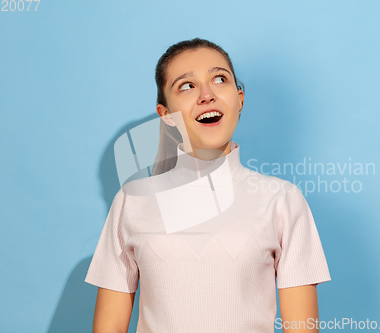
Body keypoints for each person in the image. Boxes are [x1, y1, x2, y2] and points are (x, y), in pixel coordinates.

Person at [85, 37, 331, 333]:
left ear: (239, 99)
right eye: (186, 86)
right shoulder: (131, 201)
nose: (206, 95)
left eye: (219, 79)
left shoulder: (282, 200)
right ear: (166, 116)